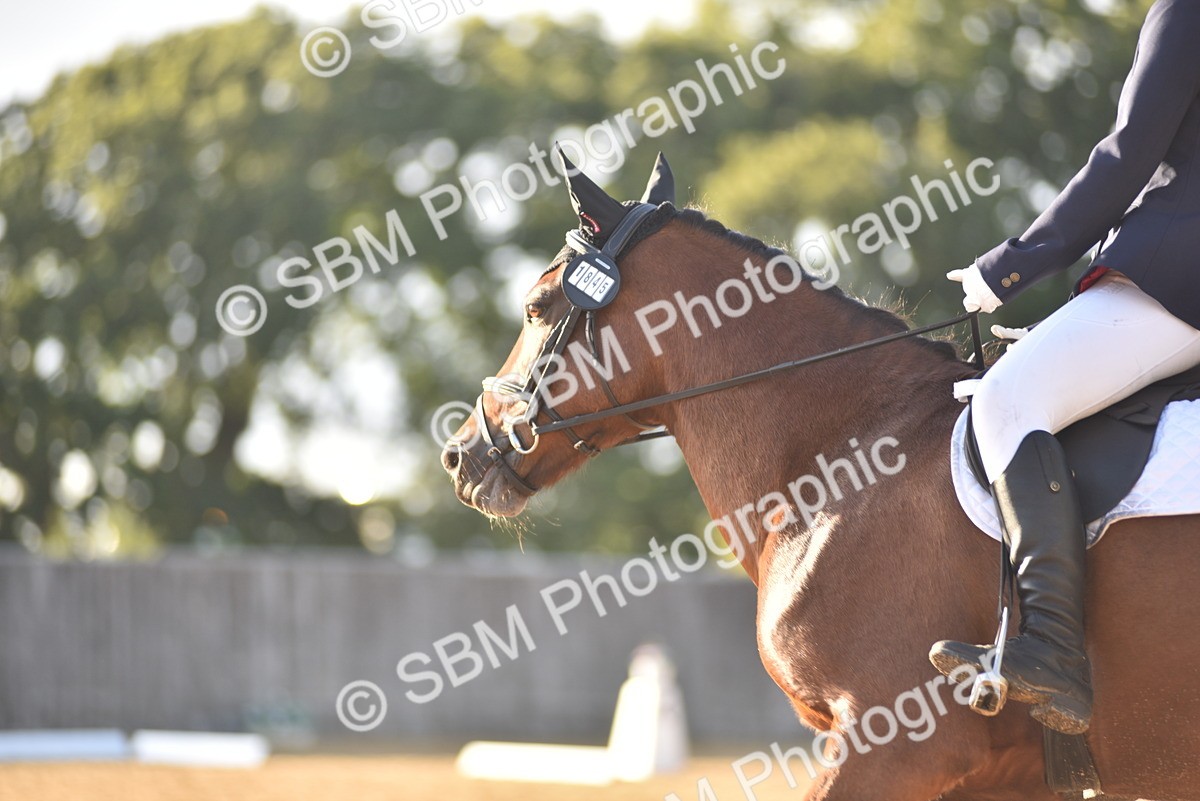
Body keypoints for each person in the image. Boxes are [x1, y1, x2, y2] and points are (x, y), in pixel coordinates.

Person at [928, 0, 1200, 735]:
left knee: (1011, 399)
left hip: (1180, 277)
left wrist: (1010, 268)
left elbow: (1128, 153)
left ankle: (1050, 650)